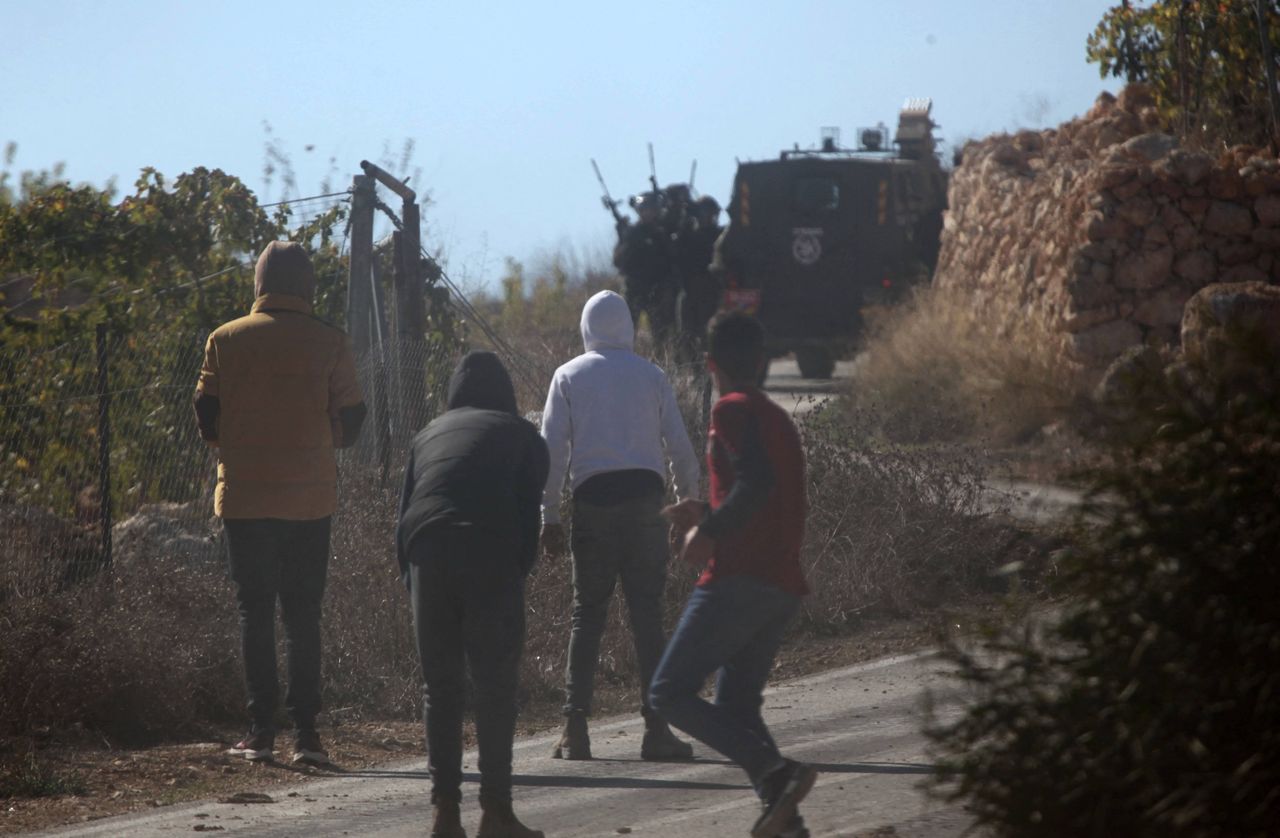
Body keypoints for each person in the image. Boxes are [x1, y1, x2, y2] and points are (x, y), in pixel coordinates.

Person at [193, 241, 367, 766]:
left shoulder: (225, 339)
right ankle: (309, 737)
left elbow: (206, 412)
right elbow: (353, 418)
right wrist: (320, 440)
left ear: (259, 283)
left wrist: (238, 444)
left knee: (255, 613)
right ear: (308, 285)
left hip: (245, 498)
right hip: (310, 499)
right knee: (303, 613)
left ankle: (260, 731)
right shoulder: (329, 341)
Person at [650, 311, 817, 838]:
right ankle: (787, 820)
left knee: (668, 693)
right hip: (780, 585)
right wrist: (705, 510)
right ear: (764, 362)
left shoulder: (731, 409)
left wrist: (711, 531)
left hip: (739, 581)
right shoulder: (775, 416)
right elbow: (764, 491)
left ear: (710, 365)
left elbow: (757, 482)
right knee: (736, 705)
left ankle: (775, 772)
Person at [540, 289, 699, 762]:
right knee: (647, 615)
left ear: (586, 328)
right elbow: (682, 452)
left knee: (586, 616)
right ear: (628, 328)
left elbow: (551, 453)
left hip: (593, 505)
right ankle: (657, 729)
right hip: (647, 504)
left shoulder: (567, 375)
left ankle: (575, 730)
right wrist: (685, 508)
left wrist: (548, 515)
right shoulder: (652, 376)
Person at [397, 351, 549, 838]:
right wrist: (511, 575)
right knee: (494, 686)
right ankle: (497, 814)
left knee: (439, 689)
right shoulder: (524, 436)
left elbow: (405, 520)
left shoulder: (426, 435)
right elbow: (529, 526)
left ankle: (444, 815)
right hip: (489, 550)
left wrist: (418, 582)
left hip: (426, 550)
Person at [613, 192, 678, 348]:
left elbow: (671, 262)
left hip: (657, 291)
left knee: (660, 335)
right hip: (634, 290)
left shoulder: (662, 233)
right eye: (643, 209)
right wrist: (623, 237)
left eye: (650, 209)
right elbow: (618, 261)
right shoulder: (632, 233)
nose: (646, 213)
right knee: (627, 332)